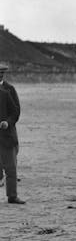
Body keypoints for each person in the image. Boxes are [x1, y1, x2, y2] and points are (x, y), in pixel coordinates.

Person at [0, 62, 25, 204]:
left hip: (7, 136)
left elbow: (16, 112)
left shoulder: (9, 90)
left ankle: (12, 196)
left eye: (2, 73)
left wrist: (7, 122)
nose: (0, 75)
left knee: (10, 167)